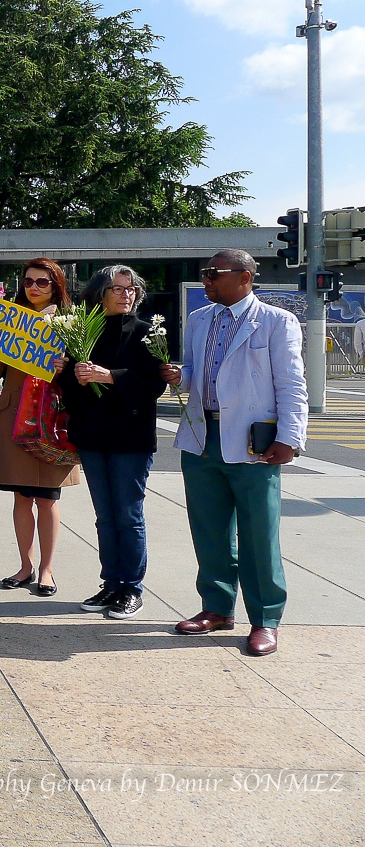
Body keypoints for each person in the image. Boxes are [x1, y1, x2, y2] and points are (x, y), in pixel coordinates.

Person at [163, 249, 308, 657]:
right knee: (209, 529)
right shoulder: (198, 320)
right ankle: (217, 607)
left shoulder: (277, 322)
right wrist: (179, 375)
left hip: (252, 442)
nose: (206, 281)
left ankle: (265, 618)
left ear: (245, 277)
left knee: (259, 533)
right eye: (204, 274)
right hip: (202, 436)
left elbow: (292, 384)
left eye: (213, 274)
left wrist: (290, 438)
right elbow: (194, 372)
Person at [56, 265, 169, 619]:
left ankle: (131, 589)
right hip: (92, 436)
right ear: (100, 293)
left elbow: (154, 385)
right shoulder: (82, 332)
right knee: (104, 517)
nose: (127, 294)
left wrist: (111, 376)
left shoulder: (147, 332)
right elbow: (73, 396)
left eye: (132, 289)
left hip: (131, 438)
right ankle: (111, 584)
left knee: (128, 515)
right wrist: (68, 375)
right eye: (118, 289)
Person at [0, 258, 80, 596]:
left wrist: (67, 365)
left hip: (51, 418)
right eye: (28, 281)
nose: (33, 287)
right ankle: (25, 565)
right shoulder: (9, 318)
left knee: (47, 498)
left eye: (42, 282)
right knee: (22, 496)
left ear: (56, 286)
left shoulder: (71, 323)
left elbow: (82, 371)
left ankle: (47, 570)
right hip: (13, 414)